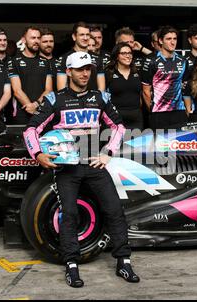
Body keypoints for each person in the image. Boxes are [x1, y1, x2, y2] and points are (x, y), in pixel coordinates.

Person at [23, 52, 140, 288]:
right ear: (68, 71)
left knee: (114, 210)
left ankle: (123, 262)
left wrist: (108, 153)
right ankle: (71, 265)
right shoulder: (55, 99)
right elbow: (30, 130)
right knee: (69, 214)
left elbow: (118, 126)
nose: (85, 73)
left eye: (88, 69)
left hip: (94, 164)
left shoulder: (101, 98)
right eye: (79, 69)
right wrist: (38, 155)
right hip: (67, 168)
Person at [142, 26, 191, 129]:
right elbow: (146, 91)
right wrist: (152, 110)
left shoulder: (183, 61)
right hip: (158, 113)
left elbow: (185, 87)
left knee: (179, 144)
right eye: (169, 39)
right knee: (161, 144)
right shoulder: (151, 61)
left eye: (175, 39)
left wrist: (187, 110)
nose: (172, 42)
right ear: (160, 41)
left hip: (179, 111)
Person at [7, 26, 52, 125]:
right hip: (21, 113)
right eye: (33, 38)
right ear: (23, 40)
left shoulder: (46, 62)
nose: (36, 41)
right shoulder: (14, 61)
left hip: (41, 111)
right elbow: (17, 90)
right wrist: (29, 106)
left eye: (38, 38)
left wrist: (35, 104)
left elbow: (48, 89)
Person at [56, 22, 105, 91]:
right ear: (74, 37)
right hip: (71, 101)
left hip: (93, 100)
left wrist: (98, 101)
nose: (85, 38)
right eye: (82, 35)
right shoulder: (65, 58)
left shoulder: (98, 58)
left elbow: (101, 89)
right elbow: (61, 89)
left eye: (87, 35)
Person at [105, 43, 143, 129]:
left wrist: (142, 48)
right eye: (124, 53)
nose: (128, 56)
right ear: (117, 56)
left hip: (136, 116)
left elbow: (154, 60)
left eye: (129, 53)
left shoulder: (137, 71)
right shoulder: (109, 73)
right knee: (117, 142)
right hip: (116, 116)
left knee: (136, 142)